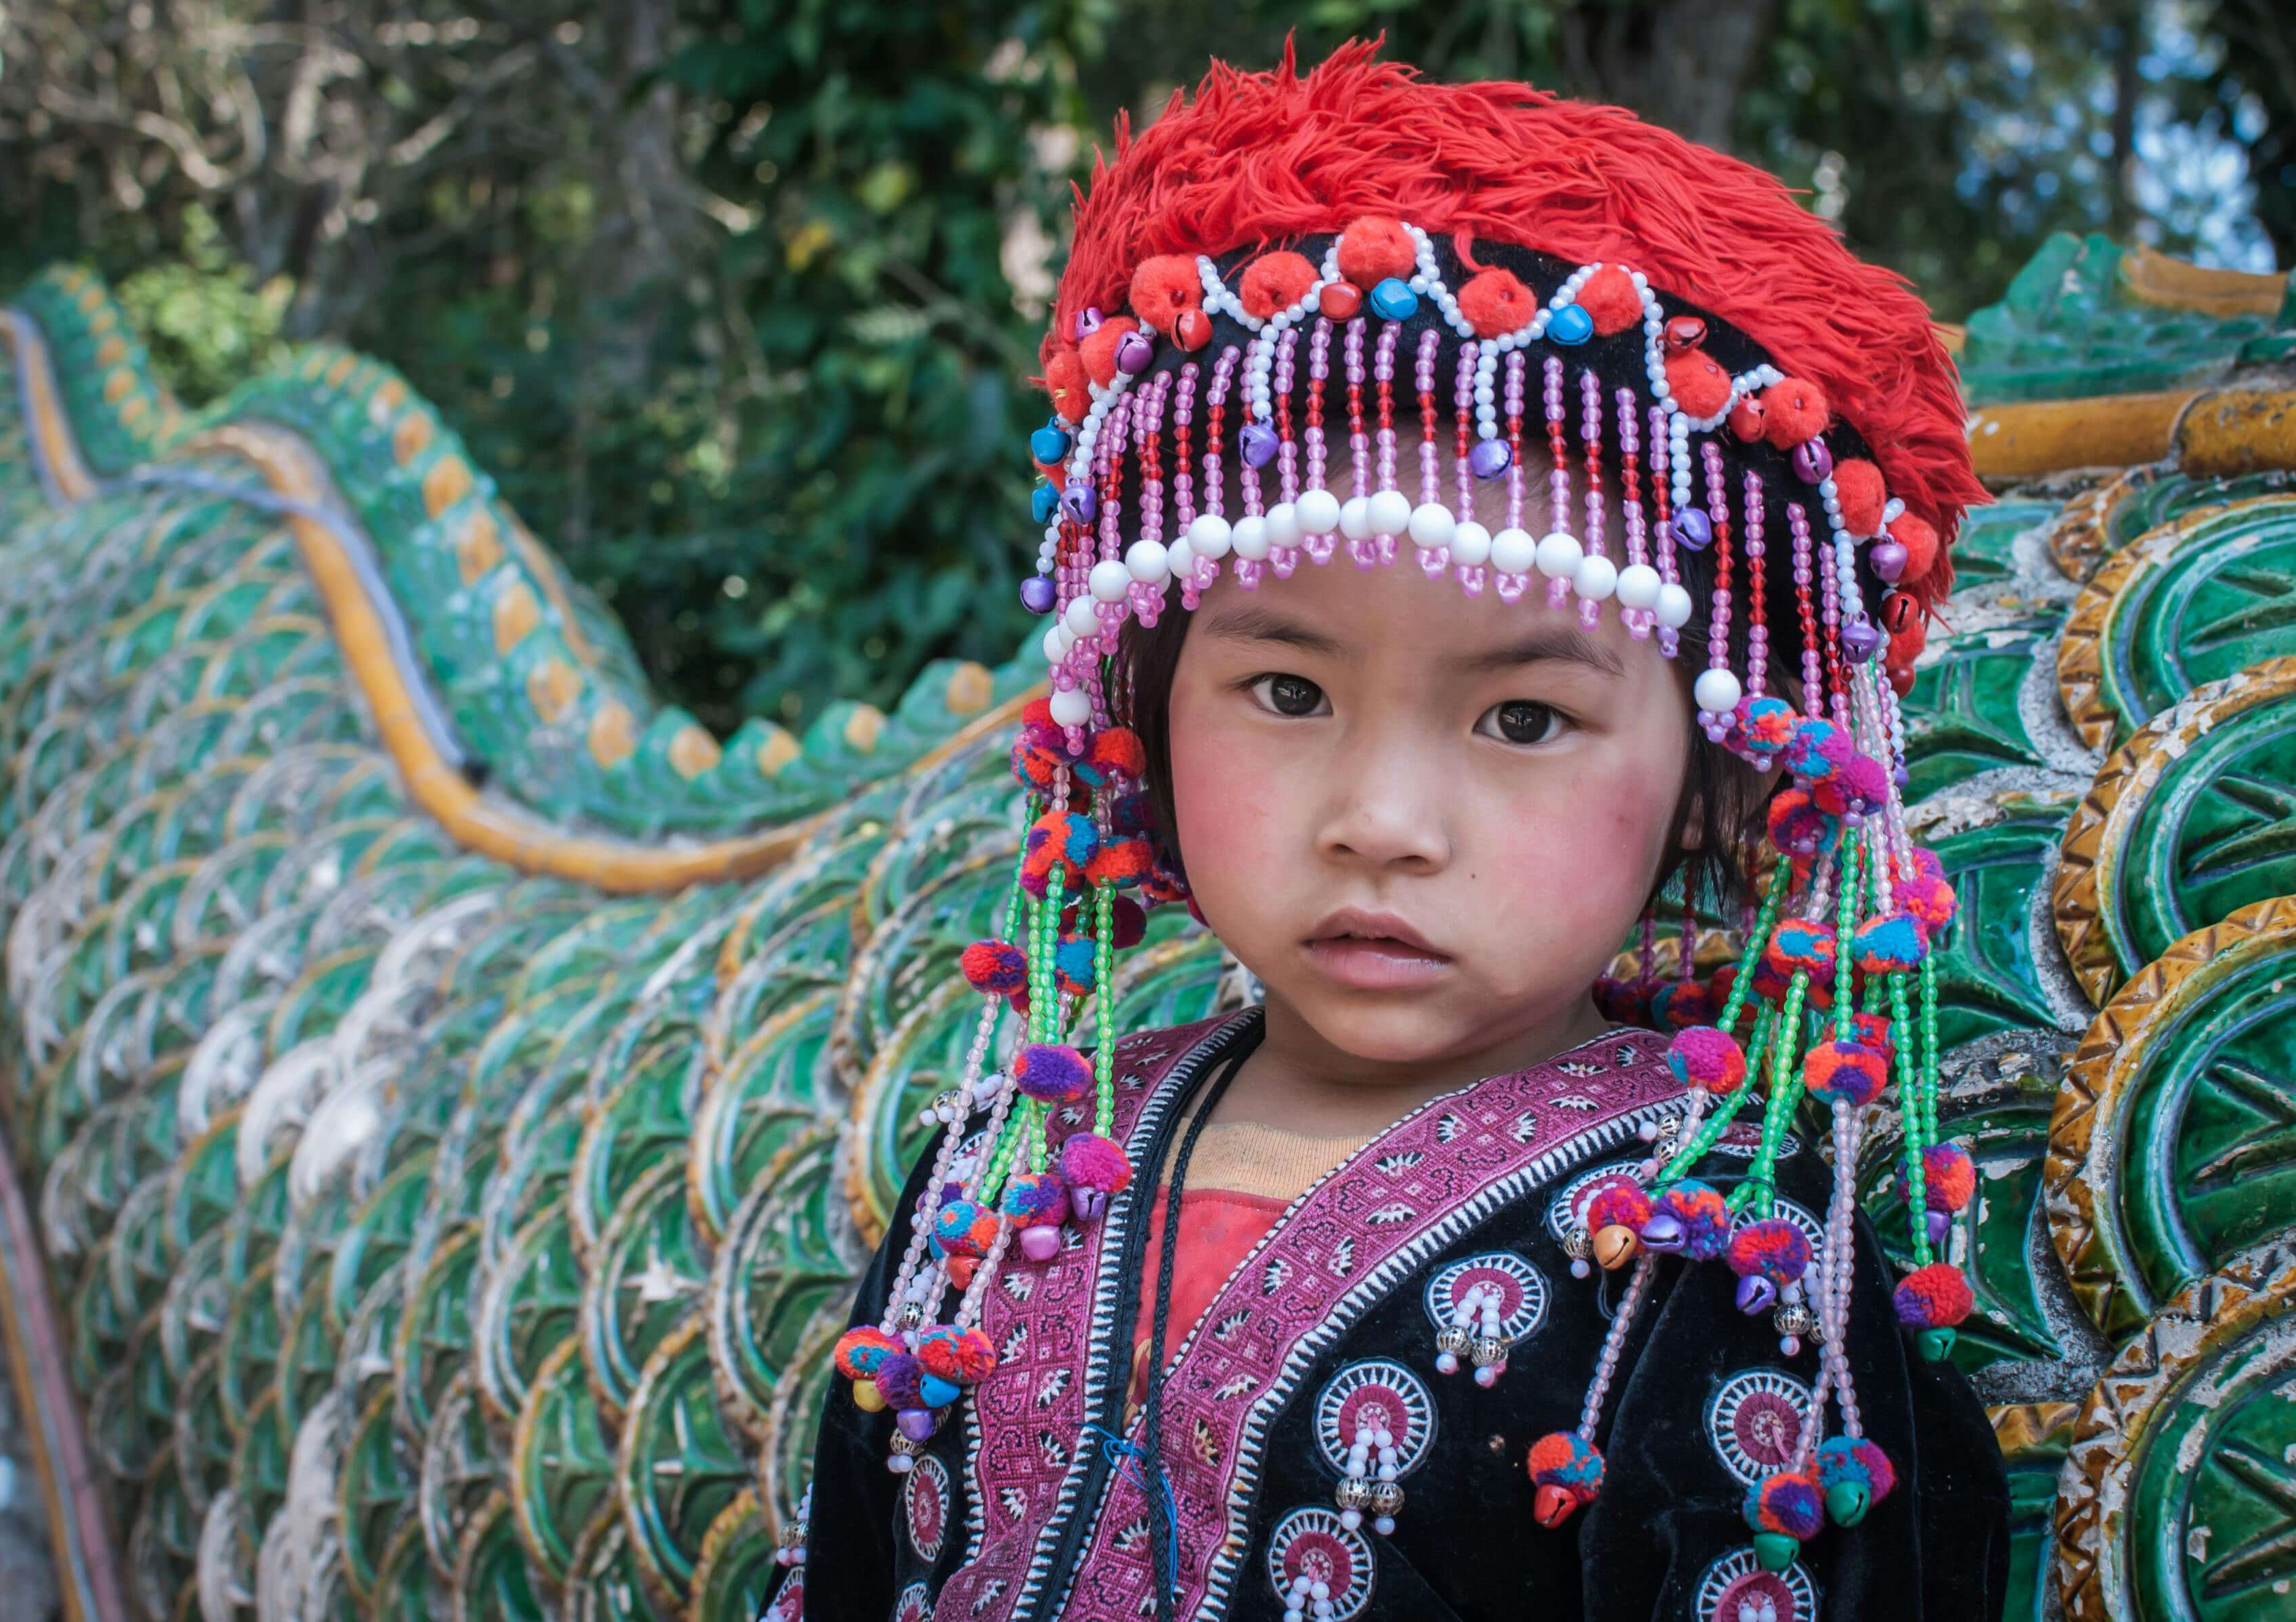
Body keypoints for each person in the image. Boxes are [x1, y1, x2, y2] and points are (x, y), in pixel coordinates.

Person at [766, 40, 2007, 1622]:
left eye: (1522, 720)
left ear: (1716, 773)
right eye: (1286, 690)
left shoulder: (1723, 1274)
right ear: (1141, 701)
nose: (1380, 822)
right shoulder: (992, 1189)